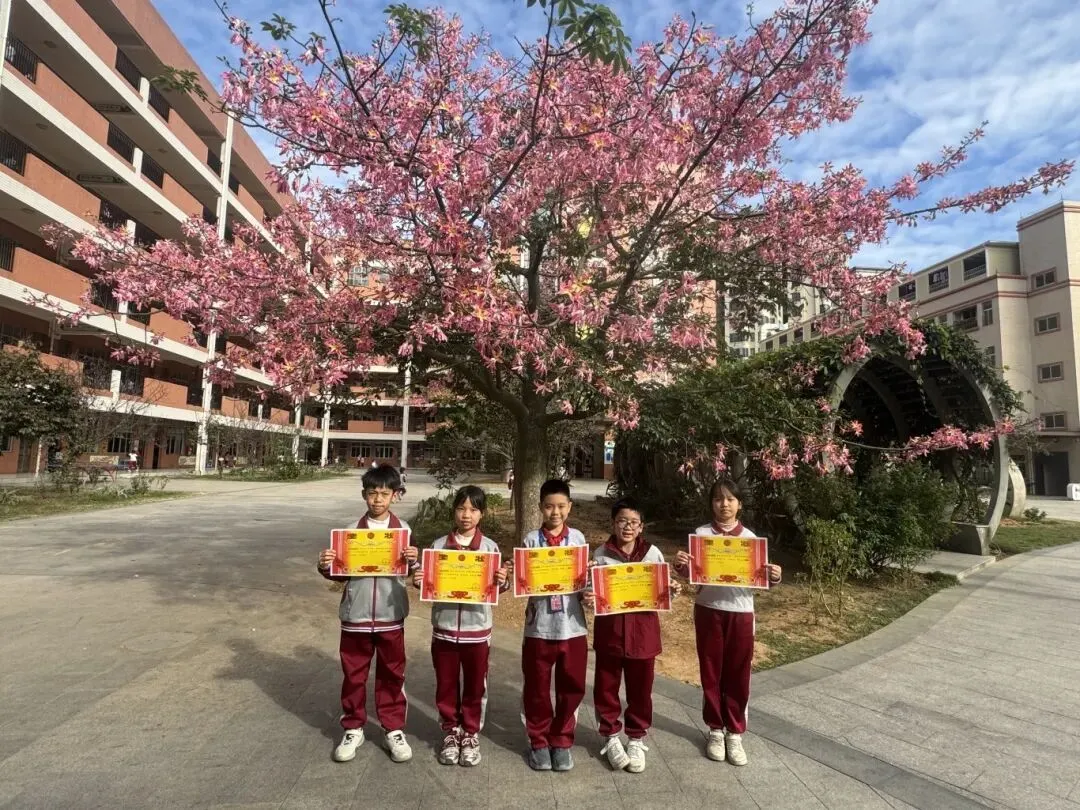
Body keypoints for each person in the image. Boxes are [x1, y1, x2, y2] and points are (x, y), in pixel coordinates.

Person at [675, 477, 782, 767]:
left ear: (739, 505)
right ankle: (715, 729)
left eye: (730, 499)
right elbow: (691, 574)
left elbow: (762, 579)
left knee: (738, 672)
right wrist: (681, 566)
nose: (724, 504)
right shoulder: (700, 535)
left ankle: (734, 733)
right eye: (718, 499)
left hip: (741, 612)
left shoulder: (750, 539)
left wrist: (774, 577)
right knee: (711, 671)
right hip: (708, 610)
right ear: (712, 504)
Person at [317, 464, 419, 764]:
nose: (378, 499)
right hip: (356, 616)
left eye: (384, 494)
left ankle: (393, 728)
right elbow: (339, 574)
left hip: (391, 614)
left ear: (395, 496)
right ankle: (353, 727)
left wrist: (415, 560)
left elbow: (411, 571)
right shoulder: (350, 532)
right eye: (373, 493)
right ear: (364, 495)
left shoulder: (403, 531)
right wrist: (325, 565)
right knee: (354, 675)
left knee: (392, 674)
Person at [413, 485, 510, 767]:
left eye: (473, 509)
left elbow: (498, 587)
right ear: (454, 511)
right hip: (444, 628)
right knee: (446, 683)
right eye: (461, 508)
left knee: (475, 685)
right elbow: (426, 583)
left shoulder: (490, 548)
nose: (466, 515)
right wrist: (420, 581)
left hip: (477, 630)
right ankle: (450, 731)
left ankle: (470, 733)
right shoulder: (438, 546)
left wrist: (502, 581)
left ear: (482, 514)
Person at [592, 498, 677, 774]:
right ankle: (611, 736)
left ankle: (636, 739)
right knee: (606, 688)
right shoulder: (600, 555)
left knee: (641, 690)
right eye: (622, 521)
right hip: (610, 634)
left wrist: (671, 591)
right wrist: (589, 598)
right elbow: (591, 592)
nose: (627, 527)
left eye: (633, 522)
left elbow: (661, 592)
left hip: (643, 635)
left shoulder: (653, 554)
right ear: (613, 524)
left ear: (641, 527)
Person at [519, 479, 594, 772]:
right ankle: (538, 741)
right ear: (540, 507)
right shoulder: (530, 541)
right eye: (549, 506)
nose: (555, 512)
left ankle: (561, 741)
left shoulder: (577, 539)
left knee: (571, 686)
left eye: (561, 506)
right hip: (539, 626)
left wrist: (590, 586)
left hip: (572, 626)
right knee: (537, 687)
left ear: (570, 507)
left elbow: (585, 584)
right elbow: (524, 583)